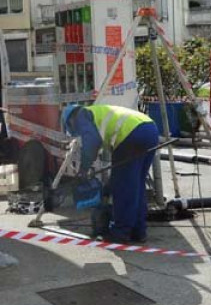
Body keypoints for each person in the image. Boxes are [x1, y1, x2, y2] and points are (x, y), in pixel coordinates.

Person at [61, 103, 160, 243]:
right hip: (150, 129)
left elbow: (91, 142)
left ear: (70, 120)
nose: (77, 132)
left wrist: (83, 169)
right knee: (136, 185)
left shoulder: (81, 116)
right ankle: (138, 231)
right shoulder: (97, 113)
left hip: (131, 134)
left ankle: (121, 232)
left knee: (123, 187)